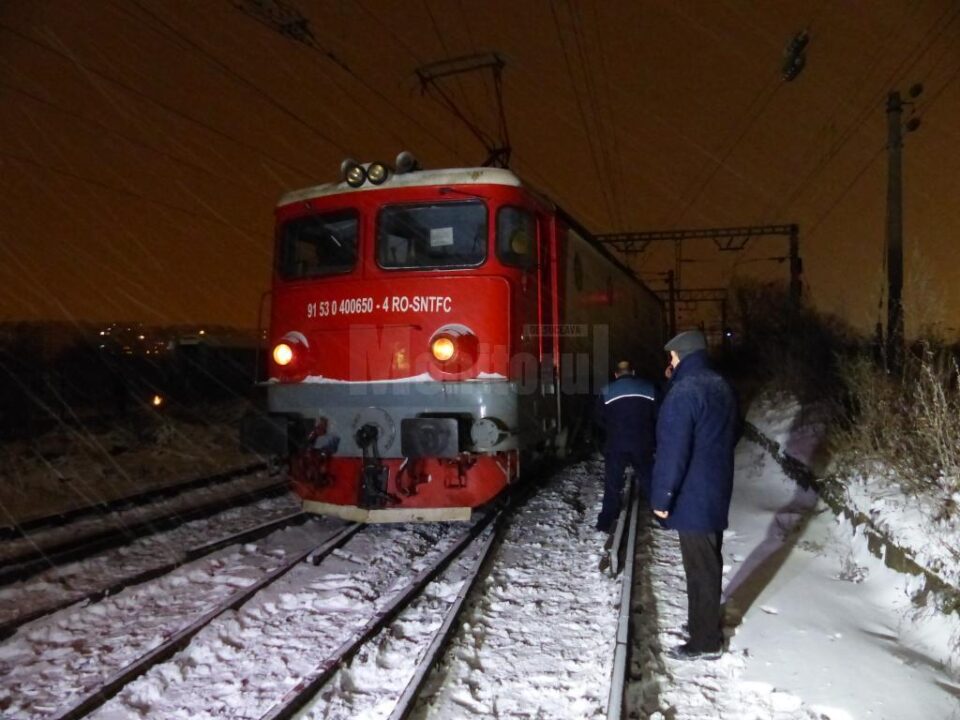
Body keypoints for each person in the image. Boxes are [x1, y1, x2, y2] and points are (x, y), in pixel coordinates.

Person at [650, 330, 739, 659]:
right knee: (708, 562)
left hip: (691, 493)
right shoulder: (721, 384)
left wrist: (662, 498)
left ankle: (705, 642)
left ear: (682, 355)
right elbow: (735, 432)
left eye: (671, 358)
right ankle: (702, 625)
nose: (669, 364)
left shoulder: (684, 391)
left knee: (700, 568)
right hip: (715, 487)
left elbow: (673, 450)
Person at [594, 359, 658, 533]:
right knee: (649, 480)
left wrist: (614, 429)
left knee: (613, 483)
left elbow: (599, 419)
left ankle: (606, 521)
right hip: (643, 443)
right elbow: (657, 415)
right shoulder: (649, 388)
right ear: (633, 372)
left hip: (616, 444)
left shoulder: (606, 391)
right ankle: (662, 515)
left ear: (616, 374)